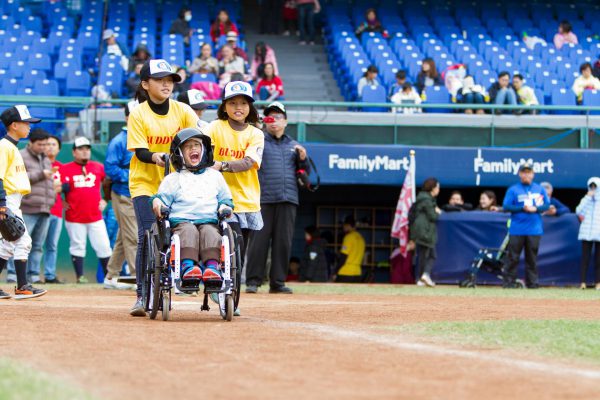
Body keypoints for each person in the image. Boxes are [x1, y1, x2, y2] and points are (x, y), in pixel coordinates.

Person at [127, 59, 199, 316]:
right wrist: (158, 156)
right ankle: (141, 294)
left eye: (169, 79)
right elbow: (141, 151)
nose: (166, 84)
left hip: (177, 184)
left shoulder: (184, 111)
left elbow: (197, 141)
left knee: (178, 232)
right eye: (159, 80)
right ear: (146, 84)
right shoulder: (138, 113)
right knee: (147, 234)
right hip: (145, 182)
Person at [203, 81, 264, 294]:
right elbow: (203, 154)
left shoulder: (255, 134)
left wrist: (222, 165)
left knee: (239, 250)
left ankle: (231, 293)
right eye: (233, 103)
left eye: (244, 103)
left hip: (246, 199)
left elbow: (249, 162)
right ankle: (216, 284)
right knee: (228, 241)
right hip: (217, 198)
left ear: (250, 108)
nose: (239, 107)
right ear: (224, 105)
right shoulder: (214, 128)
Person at [151, 129, 233, 283]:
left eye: (197, 145)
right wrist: (156, 202)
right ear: (180, 153)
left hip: (209, 220)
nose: (193, 149)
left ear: (203, 150)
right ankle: (188, 267)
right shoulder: (173, 179)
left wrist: (224, 207)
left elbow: (225, 199)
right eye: (188, 146)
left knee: (210, 232)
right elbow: (160, 198)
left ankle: (212, 267)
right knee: (188, 230)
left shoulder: (215, 176)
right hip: (182, 221)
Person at [245, 102, 307, 294]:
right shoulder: (259, 141)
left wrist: (303, 159)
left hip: (288, 199)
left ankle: (278, 282)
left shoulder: (294, 145)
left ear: (286, 121)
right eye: (270, 118)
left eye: (278, 117)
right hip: (263, 199)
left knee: (283, 242)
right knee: (259, 242)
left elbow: (305, 175)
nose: (274, 122)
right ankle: (253, 281)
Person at [0, 105, 47, 299]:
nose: (29, 126)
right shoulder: (4, 146)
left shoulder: (11, 147)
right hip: (8, 198)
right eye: (26, 123)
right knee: (22, 240)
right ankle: (22, 286)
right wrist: (2, 203)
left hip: (13, 199)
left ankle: (22, 285)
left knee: (8, 244)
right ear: (13, 125)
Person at [61, 137, 112, 284]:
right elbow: (56, 187)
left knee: (103, 246)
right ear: (74, 152)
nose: (85, 152)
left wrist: (105, 199)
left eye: (87, 149)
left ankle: (108, 278)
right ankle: (80, 277)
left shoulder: (98, 167)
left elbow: (108, 183)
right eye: (81, 149)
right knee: (77, 246)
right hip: (75, 216)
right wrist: (61, 201)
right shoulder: (65, 168)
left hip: (95, 216)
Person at [103, 101, 139, 290]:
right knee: (133, 236)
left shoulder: (143, 136)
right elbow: (110, 168)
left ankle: (111, 275)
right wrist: (132, 176)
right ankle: (136, 276)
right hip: (123, 192)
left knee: (123, 235)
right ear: (126, 117)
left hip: (139, 192)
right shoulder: (119, 140)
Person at [502, 163, 550, 289]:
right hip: (517, 229)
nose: (526, 175)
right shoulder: (513, 189)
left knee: (532, 259)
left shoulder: (539, 189)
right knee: (513, 257)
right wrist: (521, 208)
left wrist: (536, 208)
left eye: (529, 172)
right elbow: (506, 206)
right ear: (519, 174)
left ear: (533, 174)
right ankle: (509, 283)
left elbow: (546, 205)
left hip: (534, 230)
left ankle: (532, 284)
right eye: (524, 172)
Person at [18, 128, 56, 284]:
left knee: (38, 245)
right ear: (31, 142)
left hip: (44, 208)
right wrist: (42, 174)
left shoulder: (45, 158)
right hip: (27, 207)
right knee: (19, 243)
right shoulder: (21, 155)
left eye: (45, 144)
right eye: (40, 144)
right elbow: (19, 178)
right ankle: (14, 275)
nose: (43, 147)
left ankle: (34, 275)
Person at [410, 177, 441, 287]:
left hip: (419, 230)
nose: (439, 190)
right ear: (433, 188)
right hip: (426, 230)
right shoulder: (427, 200)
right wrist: (438, 212)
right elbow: (432, 216)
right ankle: (426, 274)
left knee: (422, 255)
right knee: (432, 255)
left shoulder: (422, 198)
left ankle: (419, 279)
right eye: (438, 187)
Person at [43, 135, 64, 284]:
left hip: (56, 210)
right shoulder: (38, 165)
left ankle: (50, 275)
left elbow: (64, 187)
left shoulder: (62, 167)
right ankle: (31, 276)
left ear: (59, 148)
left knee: (52, 245)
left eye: (53, 144)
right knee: (33, 245)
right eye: (47, 144)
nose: (50, 147)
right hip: (39, 210)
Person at [576, 177, 600, 290]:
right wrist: (587, 197)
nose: (594, 189)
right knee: (585, 259)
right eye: (592, 186)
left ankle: (598, 283)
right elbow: (578, 211)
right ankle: (583, 283)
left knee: (598, 260)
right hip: (586, 233)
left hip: (599, 233)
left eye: (596, 186)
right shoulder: (586, 199)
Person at [332, 215, 365, 283]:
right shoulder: (361, 239)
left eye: (344, 225)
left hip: (345, 272)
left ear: (348, 225)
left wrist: (335, 272)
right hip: (357, 272)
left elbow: (343, 257)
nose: (343, 227)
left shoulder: (348, 237)